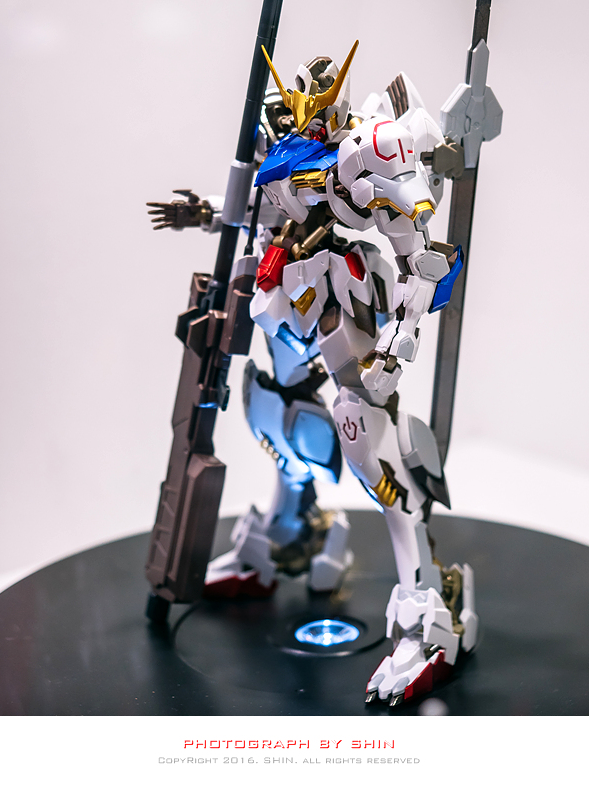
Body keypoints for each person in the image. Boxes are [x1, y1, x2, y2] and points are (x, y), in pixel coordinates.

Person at [148, 45, 477, 705]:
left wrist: (399, 341)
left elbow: (425, 258)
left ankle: (427, 610)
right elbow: (256, 207)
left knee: (364, 436)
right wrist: (206, 211)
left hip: (339, 295)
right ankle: (290, 536)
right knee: (273, 404)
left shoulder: (365, 153)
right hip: (284, 296)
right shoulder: (280, 156)